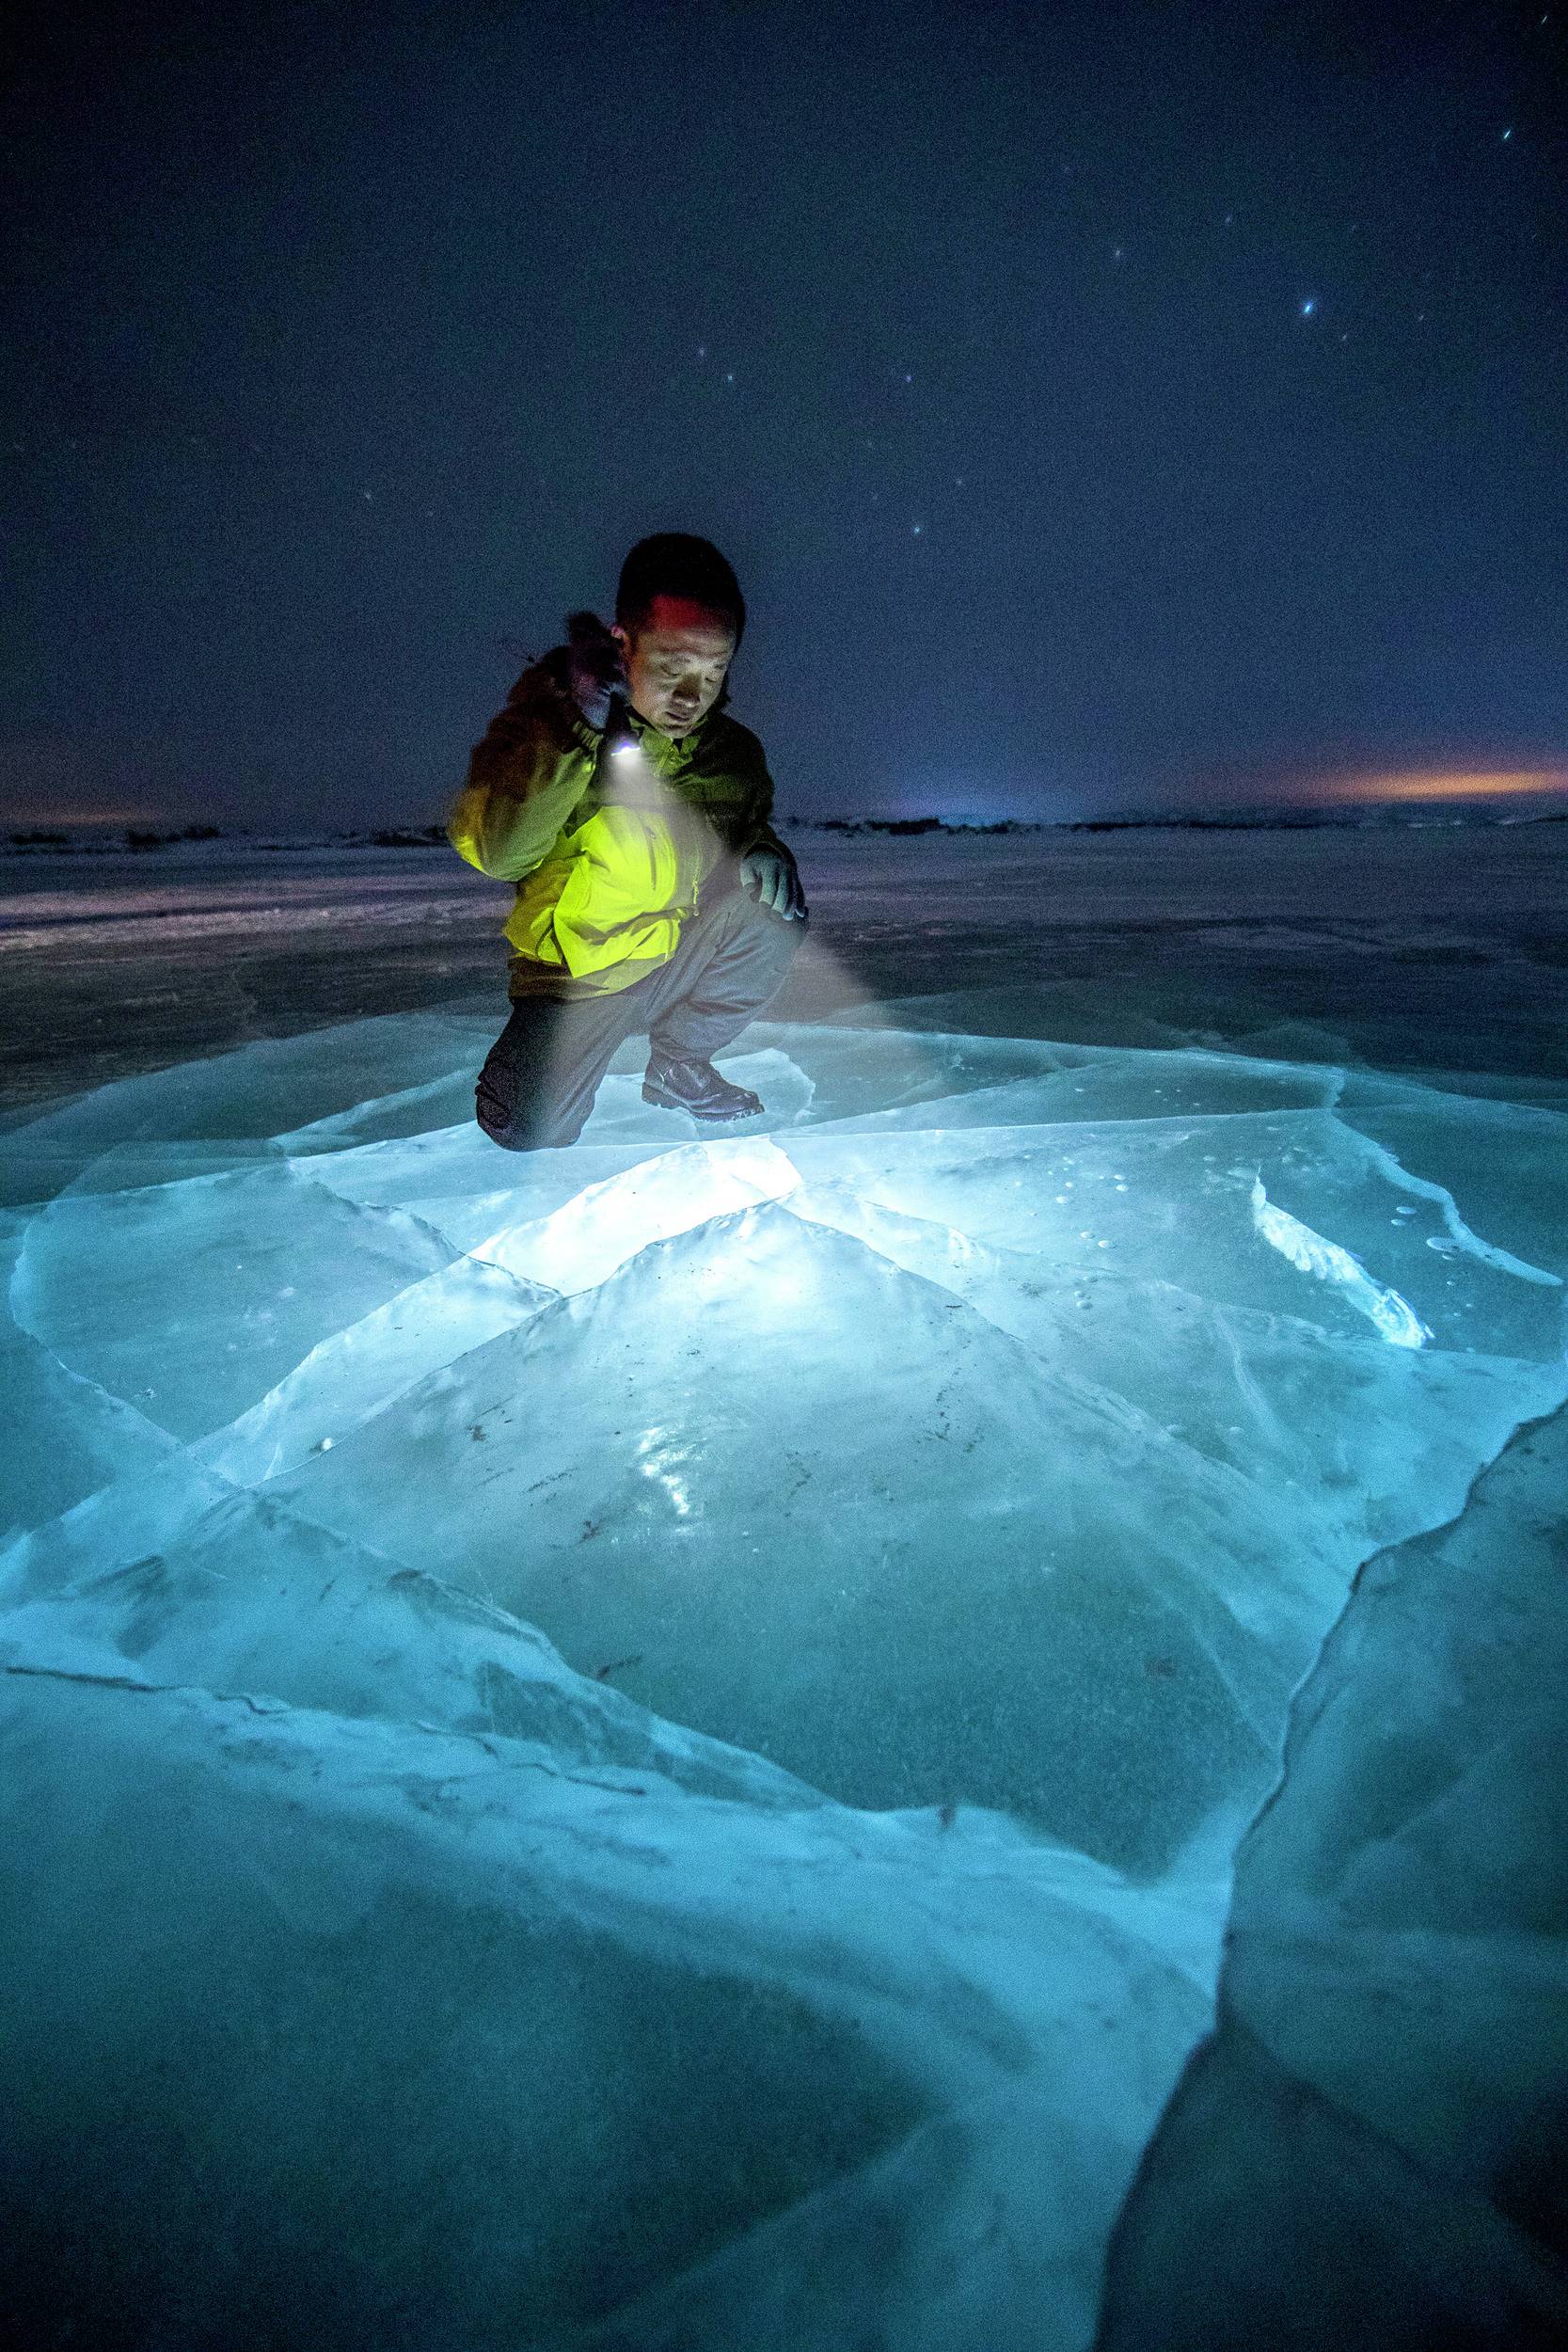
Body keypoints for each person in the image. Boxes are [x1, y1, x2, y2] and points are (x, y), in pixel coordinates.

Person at [448, 533, 808, 1151]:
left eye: (712, 672)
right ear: (622, 645)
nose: (691, 697)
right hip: (577, 978)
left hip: (670, 956)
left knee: (772, 910)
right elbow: (499, 850)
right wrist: (577, 725)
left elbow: (747, 828)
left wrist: (762, 849)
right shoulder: (554, 725)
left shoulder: (733, 753)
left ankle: (679, 1065)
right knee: (528, 1130)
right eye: (672, 668)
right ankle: (540, 1075)